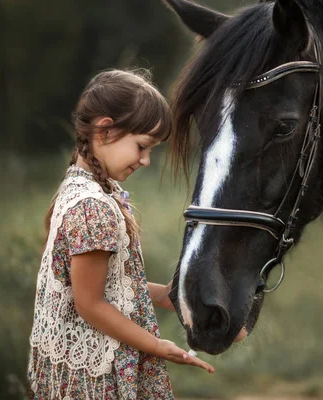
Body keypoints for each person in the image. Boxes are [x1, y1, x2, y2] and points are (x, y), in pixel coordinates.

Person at [27, 68, 214, 400]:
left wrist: (167, 296)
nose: (145, 160)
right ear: (105, 131)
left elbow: (101, 286)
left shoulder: (83, 188)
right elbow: (90, 303)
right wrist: (157, 346)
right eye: (142, 146)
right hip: (94, 378)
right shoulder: (92, 208)